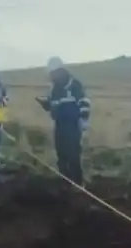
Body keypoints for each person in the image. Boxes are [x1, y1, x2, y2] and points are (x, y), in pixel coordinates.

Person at [36, 56, 91, 185]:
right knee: (61, 155)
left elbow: (84, 103)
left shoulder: (74, 85)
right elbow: (53, 106)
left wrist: (84, 122)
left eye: (52, 73)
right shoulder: (54, 89)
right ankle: (64, 183)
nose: (51, 76)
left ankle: (77, 184)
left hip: (72, 126)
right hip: (59, 125)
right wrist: (46, 105)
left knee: (73, 155)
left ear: (59, 71)